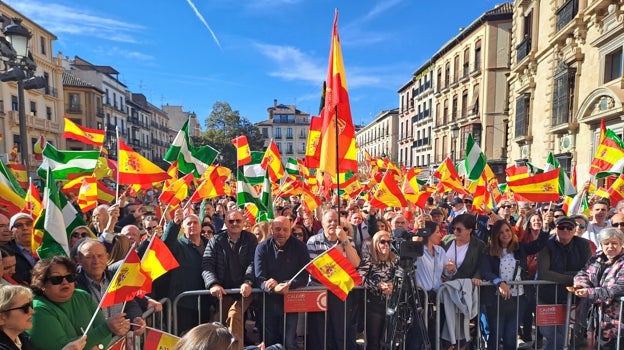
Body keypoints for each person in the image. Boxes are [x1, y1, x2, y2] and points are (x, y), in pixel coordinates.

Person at [28, 256, 128, 350]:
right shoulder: (37, 309)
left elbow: (105, 333)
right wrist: (105, 329)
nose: (65, 282)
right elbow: (63, 346)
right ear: (41, 284)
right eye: (56, 279)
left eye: (69, 277)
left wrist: (99, 347)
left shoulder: (82, 295)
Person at [481, 219, 549, 350]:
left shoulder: (520, 248)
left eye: (507, 230)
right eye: (501, 232)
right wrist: (499, 282)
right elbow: (485, 271)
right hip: (496, 299)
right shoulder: (488, 250)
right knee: (496, 334)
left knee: (511, 335)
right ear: (495, 235)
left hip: (519, 297)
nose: (505, 234)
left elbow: (539, 244)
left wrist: (545, 227)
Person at [202, 209, 257, 350]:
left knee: (234, 315)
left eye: (238, 220)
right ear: (225, 222)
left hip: (245, 290)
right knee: (226, 324)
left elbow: (253, 263)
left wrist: (248, 282)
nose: (234, 224)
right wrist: (213, 284)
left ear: (243, 222)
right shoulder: (216, 240)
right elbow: (207, 264)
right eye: (231, 221)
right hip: (224, 291)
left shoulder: (250, 239)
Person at [306, 210, 361, 350]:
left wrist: (345, 241)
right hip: (318, 292)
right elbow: (314, 268)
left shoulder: (348, 240)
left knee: (339, 332)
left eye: (335, 221)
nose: (332, 223)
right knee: (319, 333)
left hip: (340, 294)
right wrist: (334, 254)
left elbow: (355, 263)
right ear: (322, 223)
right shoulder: (313, 241)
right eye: (329, 221)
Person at [254, 216, 309, 349]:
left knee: (289, 341)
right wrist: (272, 287)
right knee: (269, 342)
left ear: (290, 230)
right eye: (278, 229)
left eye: (285, 229)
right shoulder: (262, 248)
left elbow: (304, 275)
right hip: (268, 303)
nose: (282, 233)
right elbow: (259, 277)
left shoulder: (300, 247)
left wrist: (288, 284)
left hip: (291, 301)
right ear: (271, 229)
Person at [537, 216, 592, 350]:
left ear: (574, 230)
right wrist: (573, 277)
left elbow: (588, 270)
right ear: (556, 229)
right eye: (561, 227)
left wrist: (559, 275)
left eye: (569, 227)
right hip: (547, 297)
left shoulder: (584, 244)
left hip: (573, 299)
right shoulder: (546, 244)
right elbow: (544, 273)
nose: (565, 230)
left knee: (566, 335)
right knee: (552, 335)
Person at [74, 239, 146, 335]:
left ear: (107, 257)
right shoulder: (73, 285)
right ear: (79, 260)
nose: (96, 261)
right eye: (89, 257)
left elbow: (130, 304)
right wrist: (107, 327)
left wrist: (135, 320)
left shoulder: (116, 278)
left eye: (100, 256)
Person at [163, 209, 214, 335]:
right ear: (183, 228)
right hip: (184, 303)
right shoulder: (179, 245)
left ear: (200, 226)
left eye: (195, 222)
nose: (192, 226)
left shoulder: (210, 244)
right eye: (189, 224)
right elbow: (166, 243)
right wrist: (174, 224)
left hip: (205, 301)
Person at [573, 227, 624, 349]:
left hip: (617, 318)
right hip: (597, 315)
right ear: (601, 244)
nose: (610, 246)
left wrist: (590, 292)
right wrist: (582, 285)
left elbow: (619, 288)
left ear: (621, 243)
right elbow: (582, 273)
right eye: (606, 243)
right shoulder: (597, 257)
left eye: (614, 243)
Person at [413, 221, 456, 350]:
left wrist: (451, 269)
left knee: (434, 334)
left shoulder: (441, 250)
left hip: (436, 298)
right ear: (428, 233)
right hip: (419, 297)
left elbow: (446, 273)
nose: (440, 235)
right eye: (437, 232)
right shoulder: (417, 250)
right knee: (417, 334)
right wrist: (417, 236)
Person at [357, 230, 396, 350]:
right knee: (374, 341)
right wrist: (377, 285)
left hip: (392, 304)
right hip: (373, 305)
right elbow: (359, 278)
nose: (386, 245)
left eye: (389, 242)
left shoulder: (395, 259)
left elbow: (402, 278)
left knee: (389, 340)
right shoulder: (369, 260)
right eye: (382, 242)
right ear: (375, 243)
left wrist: (392, 286)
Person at [7, 214, 37, 285]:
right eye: (18, 225)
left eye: (29, 224)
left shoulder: (45, 247)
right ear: (11, 233)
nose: (25, 228)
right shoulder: (7, 252)